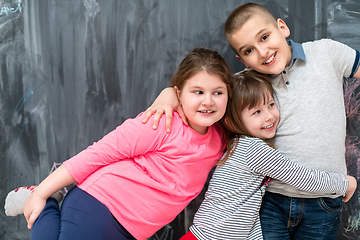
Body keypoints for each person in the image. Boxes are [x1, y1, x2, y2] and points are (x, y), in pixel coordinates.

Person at [141, 3, 360, 240]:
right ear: (242, 60)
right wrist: (169, 94)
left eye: (265, 37)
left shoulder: (326, 52)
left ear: (282, 27)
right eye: (249, 51)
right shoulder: (244, 87)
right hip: (271, 201)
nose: (263, 52)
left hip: (324, 201)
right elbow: (201, 93)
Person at [11, 48, 234, 240]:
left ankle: (46, 198)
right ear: (179, 93)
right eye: (198, 92)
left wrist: (170, 94)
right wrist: (41, 194)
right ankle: (44, 196)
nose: (208, 101)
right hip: (100, 204)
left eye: (217, 92)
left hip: (133, 232)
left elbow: (251, 88)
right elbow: (97, 154)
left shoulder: (220, 139)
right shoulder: (158, 123)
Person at [178, 70, 357, 240]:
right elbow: (301, 177)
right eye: (257, 112)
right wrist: (344, 184)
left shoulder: (236, 144)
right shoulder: (252, 149)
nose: (269, 116)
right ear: (232, 121)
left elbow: (248, 211)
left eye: (271, 105)